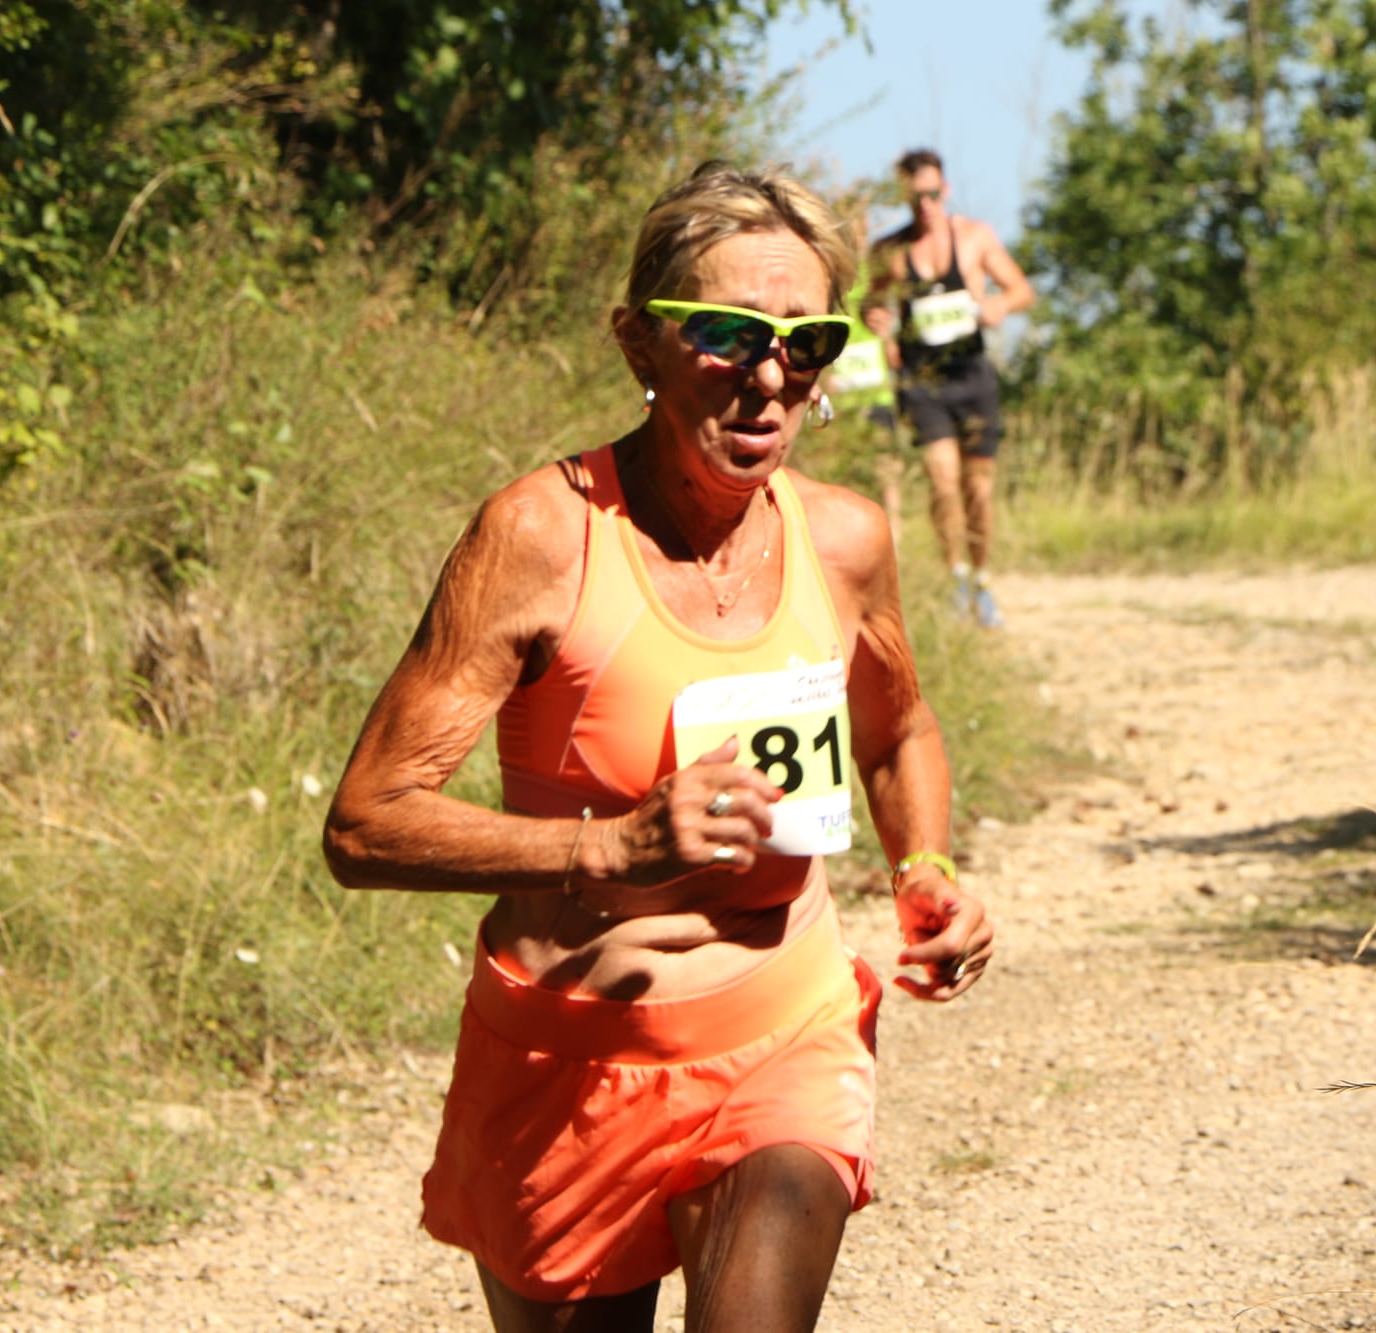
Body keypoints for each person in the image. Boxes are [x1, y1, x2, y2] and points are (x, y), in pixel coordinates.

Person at [322, 160, 994, 1333]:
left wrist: (924, 872)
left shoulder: (842, 539)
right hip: (565, 1058)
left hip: (783, 1026)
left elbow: (895, 731)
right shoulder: (540, 534)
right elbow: (365, 821)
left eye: (807, 341)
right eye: (729, 335)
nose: (769, 377)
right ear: (638, 344)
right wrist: (616, 843)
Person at [866, 147, 1035, 629]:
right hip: (923, 382)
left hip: (972, 377)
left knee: (978, 489)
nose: (925, 204)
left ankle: (982, 580)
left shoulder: (976, 238)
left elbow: (1021, 290)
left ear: (947, 190)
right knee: (942, 482)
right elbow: (873, 304)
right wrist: (876, 320)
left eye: (933, 194)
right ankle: (955, 576)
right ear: (904, 195)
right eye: (915, 196)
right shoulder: (890, 251)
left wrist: (1001, 306)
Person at [822, 206, 906, 541]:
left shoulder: (879, 278)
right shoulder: (825, 279)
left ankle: (893, 550)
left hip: (876, 395)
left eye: (858, 229)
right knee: (842, 480)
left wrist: (888, 337)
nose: (854, 237)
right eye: (845, 228)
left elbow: (898, 352)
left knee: (887, 477)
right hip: (840, 398)